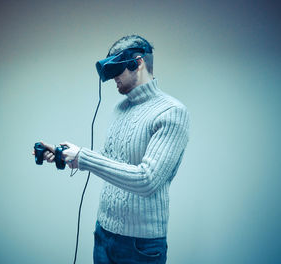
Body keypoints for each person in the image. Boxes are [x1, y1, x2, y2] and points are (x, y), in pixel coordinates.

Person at [34, 35, 190, 263]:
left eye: (117, 70)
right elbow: (111, 162)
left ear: (136, 63)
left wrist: (84, 157)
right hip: (103, 233)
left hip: (140, 246)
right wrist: (65, 155)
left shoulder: (171, 112)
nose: (113, 78)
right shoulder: (120, 108)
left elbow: (147, 180)